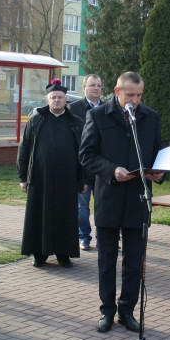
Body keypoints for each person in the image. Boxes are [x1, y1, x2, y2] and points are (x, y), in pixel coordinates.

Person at [80, 71, 164, 333]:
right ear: (118, 92)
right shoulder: (97, 115)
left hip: (138, 198)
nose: (136, 100)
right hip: (110, 197)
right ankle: (107, 311)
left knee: (134, 260)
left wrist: (161, 171)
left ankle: (127, 310)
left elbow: (157, 153)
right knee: (107, 259)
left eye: (139, 95)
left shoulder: (150, 117)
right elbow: (86, 155)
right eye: (130, 95)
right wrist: (111, 170)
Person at [18, 81, 85, 268]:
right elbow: (24, 149)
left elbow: (83, 153)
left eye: (60, 97)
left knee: (65, 215)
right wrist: (23, 176)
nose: (57, 100)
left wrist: (82, 180)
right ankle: (40, 253)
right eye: (53, 97)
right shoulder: (36, 120)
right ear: (48, 100)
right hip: (40, 178)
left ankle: (64, 254)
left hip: (67, 178)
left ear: (66, 100)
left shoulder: (75, 122)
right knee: (40, 214)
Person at [68, 74, 103, 251]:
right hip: (81, 167)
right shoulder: (73, 109)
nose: (96, 88)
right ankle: (84, 237)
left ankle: (102, 237)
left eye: (98, 86)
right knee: (82, 206)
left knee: (102, 205)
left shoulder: (107, 108)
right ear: (84, 88)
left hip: (102, 168)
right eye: (92, 85)